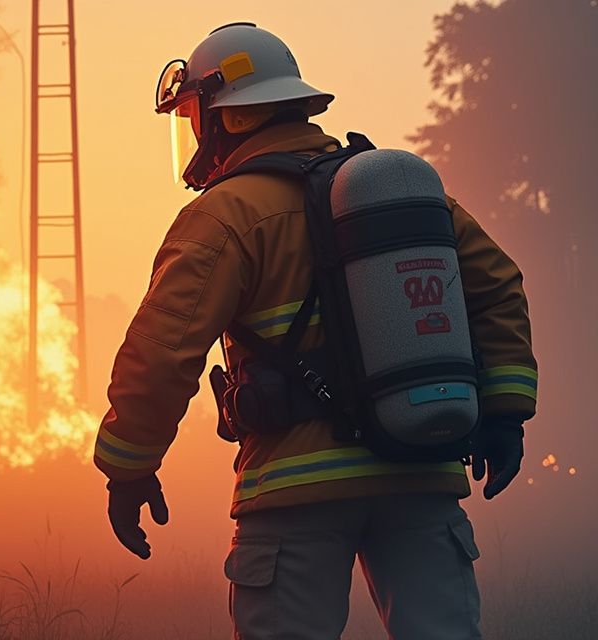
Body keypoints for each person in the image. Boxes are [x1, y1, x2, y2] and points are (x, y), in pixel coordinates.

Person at [93, 23, 536, 640]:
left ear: (230, 119)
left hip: (296, 488)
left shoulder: (225, 215)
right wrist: (505, 413)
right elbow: (498, 287)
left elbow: (162, 351)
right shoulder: (400, 192)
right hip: (420, 467)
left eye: (196, 116)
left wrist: (129, 465)